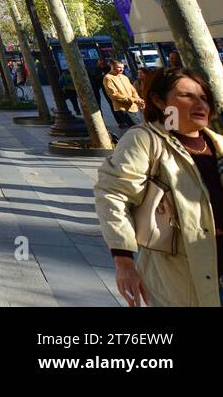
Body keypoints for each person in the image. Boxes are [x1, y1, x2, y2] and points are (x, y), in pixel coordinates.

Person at [94, 67, 223, 308]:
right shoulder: (144, 140)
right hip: (180, 274)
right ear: (158, 101)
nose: (199, 104)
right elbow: (113, 195)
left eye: (204, 97)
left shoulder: (218, 144)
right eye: (187, 96)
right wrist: (124, 261)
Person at [102, 60, 144, 132]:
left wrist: (138, 100)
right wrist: (134, 100)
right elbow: (114, 95)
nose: (122, 69)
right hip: (123, 108)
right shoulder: (108, 78)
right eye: (119, 67)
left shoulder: (124, 77)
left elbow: (133, 90)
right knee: (138, 129)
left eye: (123, 68)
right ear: (112, 67)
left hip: (133, 107)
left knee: (140, 128)